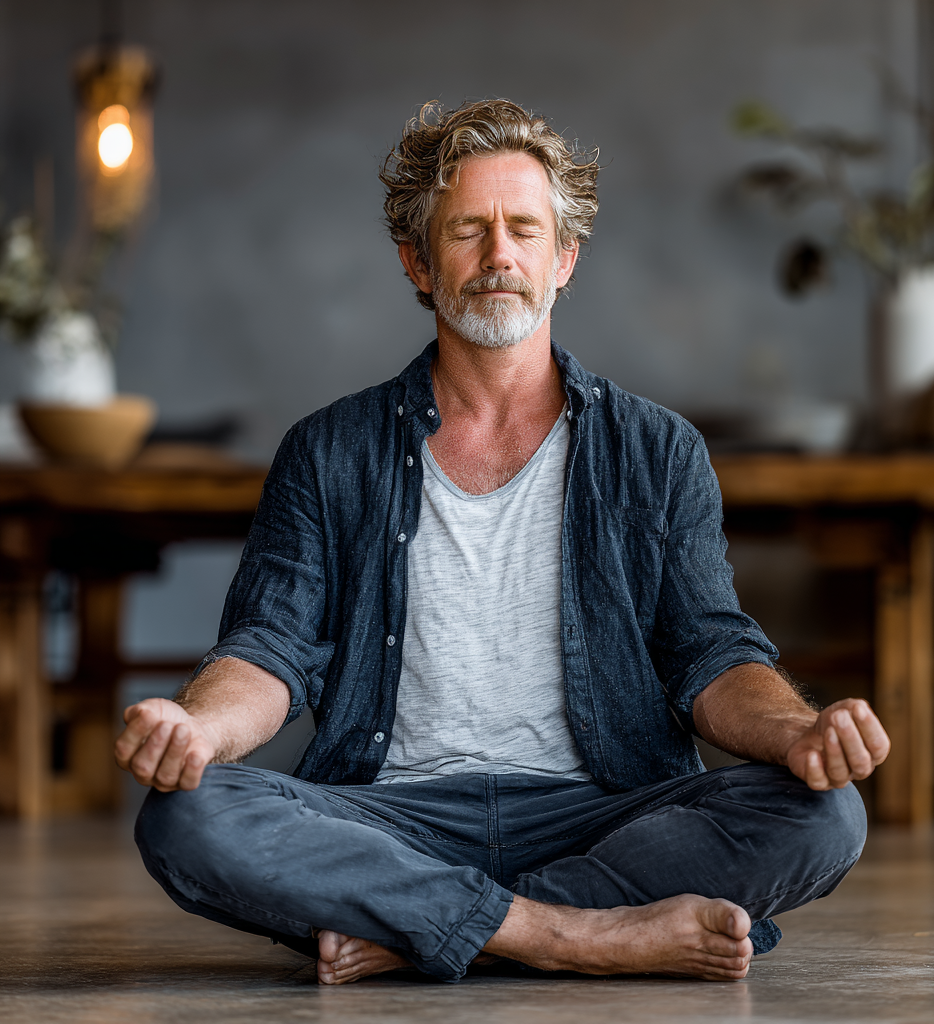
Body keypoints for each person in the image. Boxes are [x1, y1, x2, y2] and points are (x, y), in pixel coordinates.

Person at [117, 99, 889, 986]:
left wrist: (800, 732)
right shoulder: (328, 451)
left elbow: (710, 654)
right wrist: (197, 727)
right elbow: (271, 648)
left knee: (826, 815)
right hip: (390, 817)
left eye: (525, 229)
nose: (499, 257)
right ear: (417, 261)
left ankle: (425, 924)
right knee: (187, 814)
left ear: (563, 260)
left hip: (603, 812)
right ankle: (577, 936)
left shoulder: (658, 450)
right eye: (467, 231)